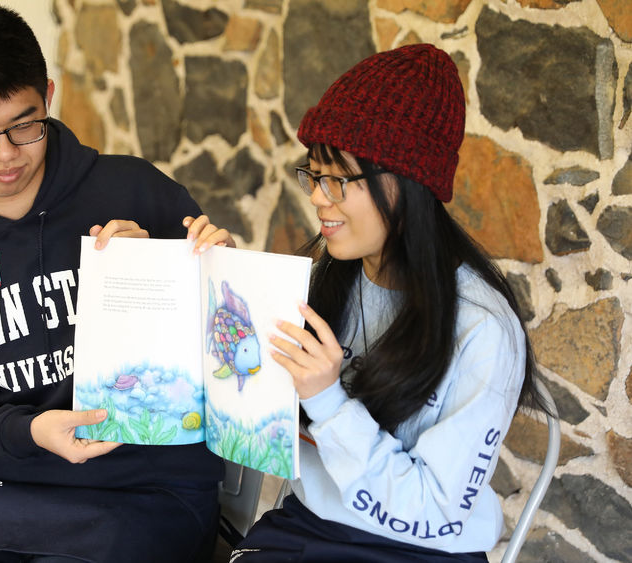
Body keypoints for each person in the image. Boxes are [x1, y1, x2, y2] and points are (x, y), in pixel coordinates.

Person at [0, 3, 232, 562]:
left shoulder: (135, 192)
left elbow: (229, 355)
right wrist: (31, 433)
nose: (7, 154)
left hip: (149, 490)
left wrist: (208, 274)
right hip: (2, 487)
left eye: (24, 124)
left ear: (48, 94)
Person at [224, 44, 551, 562]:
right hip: (308, 528)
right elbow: (247, 406)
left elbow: (436, 509)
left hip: (417, 549)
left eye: (338, 180)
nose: (316, 198)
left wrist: (329, 401)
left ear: (404, 183)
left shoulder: (483, 330)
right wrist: (223, 284)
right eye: (314, 174)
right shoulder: (330, 285)